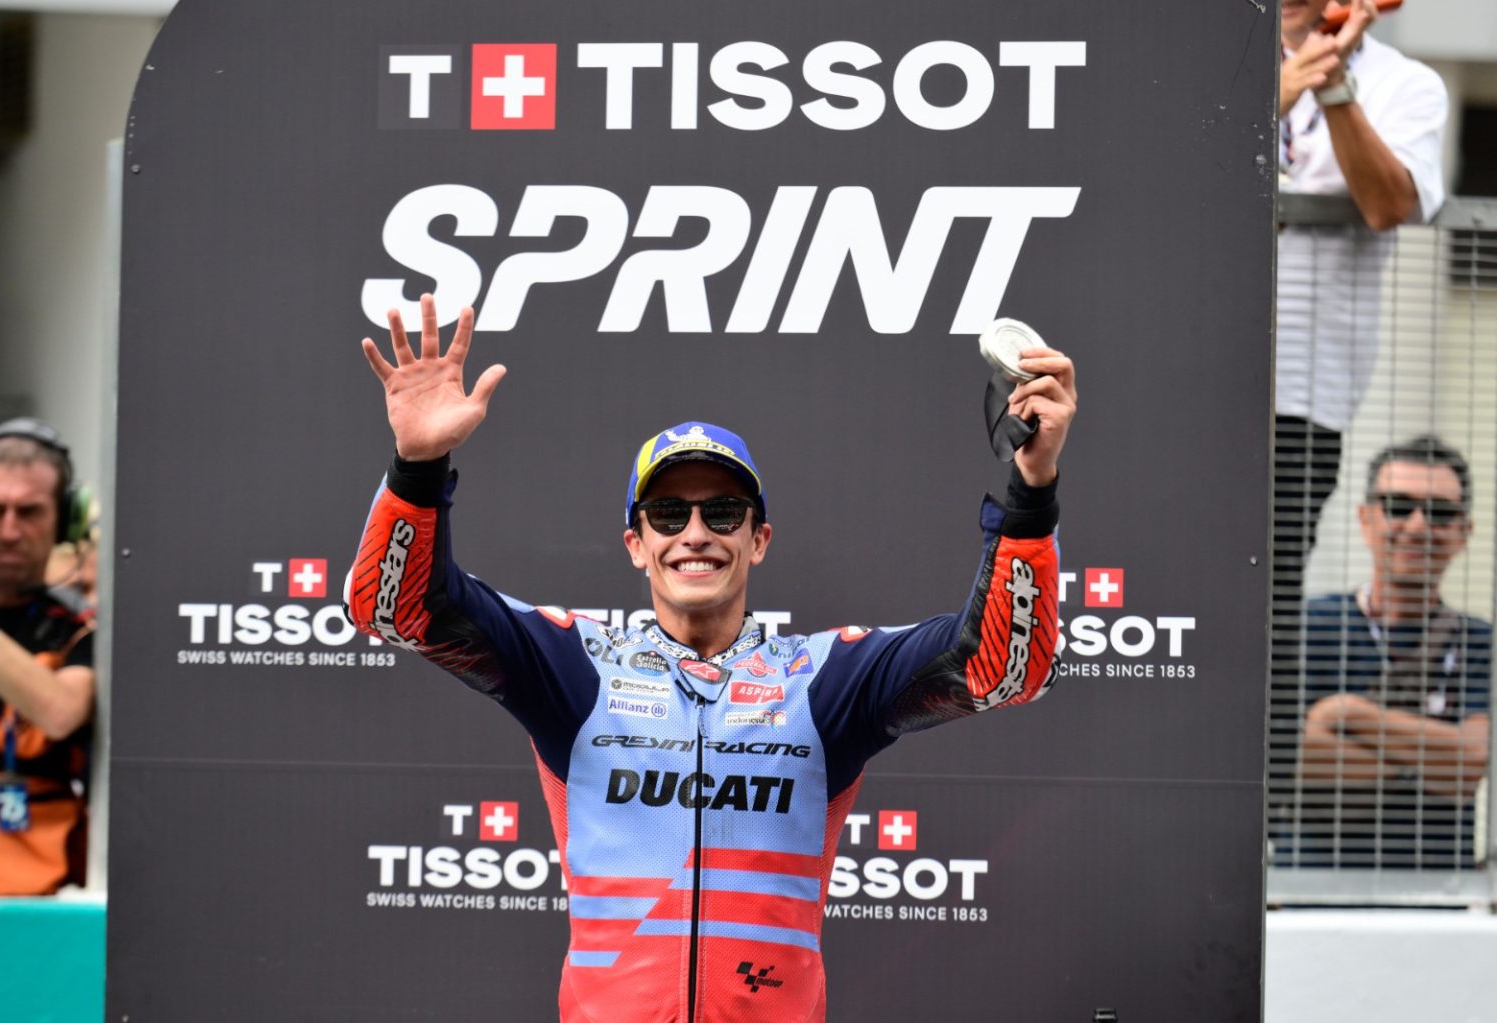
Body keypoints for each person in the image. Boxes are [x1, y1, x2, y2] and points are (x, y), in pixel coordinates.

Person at [347, 294, 1075, 1021]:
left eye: (722, 511)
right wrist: (418, 468)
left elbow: (1003, 667)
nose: (695, 533)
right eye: (668, 514)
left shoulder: (825, 681)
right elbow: (395, 608)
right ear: (637, 545)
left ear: (758, 539)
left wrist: (1032, 489)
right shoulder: (576, 667)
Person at [1268, 0, 1449, 844]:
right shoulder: (1210, 59)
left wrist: (1334, 90)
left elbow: (1388, 205)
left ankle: (1259, 828)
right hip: (1181, 380)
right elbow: (1160, 171)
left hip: (1304, 396)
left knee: (1268, 601)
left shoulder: (1406, 83)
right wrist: (1274, 95)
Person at [1279, 437, 1490, 868]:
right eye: (1398, 506)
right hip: (1309, 887)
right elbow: (1284, 755)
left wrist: (1349, 714)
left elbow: (1471, 762)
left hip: (1436, 891)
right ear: (1366, 518)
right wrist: (1429, 761)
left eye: (1440, 512)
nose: (1417, 526)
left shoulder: (1479, 641)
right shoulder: (1306, 624)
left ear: (1463, 531)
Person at [0, 418, 96, 895]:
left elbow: (59, 711)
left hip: (21, 912)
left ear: (64, 519)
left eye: (30, 511)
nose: (9, 530)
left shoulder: (80, 631)